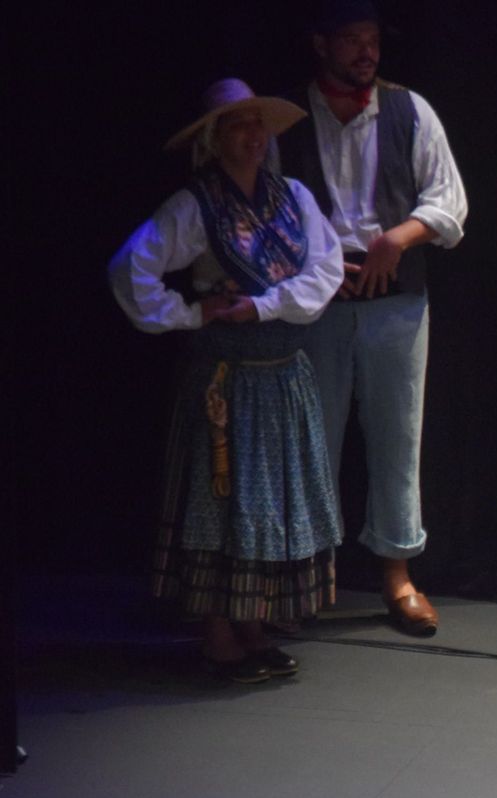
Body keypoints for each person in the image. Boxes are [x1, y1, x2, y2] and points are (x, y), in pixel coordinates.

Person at [108, 79, 344, 683]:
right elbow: (130, 268)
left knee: (270, 504)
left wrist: (263, 307)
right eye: (240, 126)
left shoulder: (291, 197)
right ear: (215, 139)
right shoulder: (197, 205)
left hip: (283, 373)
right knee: (222, 504)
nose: (254, 136)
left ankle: (253, 625)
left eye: (258, 125)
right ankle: (218, 634)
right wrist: (192, 314)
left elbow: (325, 271)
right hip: (227, 383)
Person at [278, 0, 467, 636]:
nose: (367, 51)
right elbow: (268, 215)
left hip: (397, 305)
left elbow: (451, 203)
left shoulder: (410, 110)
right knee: (312, 443)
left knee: (396, 440)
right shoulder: (286, 120)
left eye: (372, 40)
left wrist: (398, 238)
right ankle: (308, 575)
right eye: (353, 40)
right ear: (320, 44)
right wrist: (322, 261)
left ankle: (397, 575)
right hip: (317, 308)